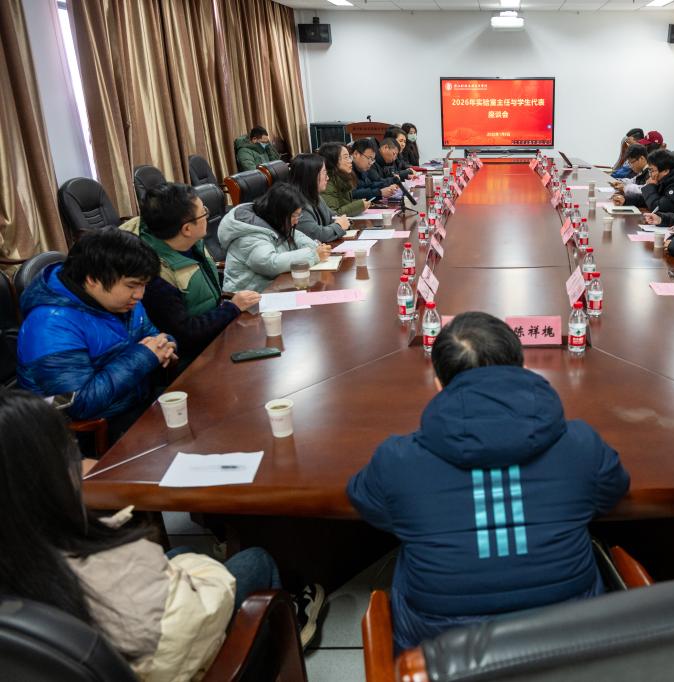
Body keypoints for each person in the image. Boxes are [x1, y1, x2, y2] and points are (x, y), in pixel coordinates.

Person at [347, 312, 630, 651]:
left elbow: (366, 500)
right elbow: (613, 489)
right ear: (522, 368)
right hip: (572, 645)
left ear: (439, 384)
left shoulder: (397, 460)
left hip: (439, 653)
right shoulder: (581, 445)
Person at [0, 390, 326, 676]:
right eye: (71, 450)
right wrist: (198, 570)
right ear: (45, 476)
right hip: (184, 661)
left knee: (182, 554)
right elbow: (192, 626)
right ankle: (288, 630)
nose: (83, 461)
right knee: (255, 559)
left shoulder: (21, 555)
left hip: (112, 644)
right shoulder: (112, 562)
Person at [17, 228, 176, 436]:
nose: (139, 294)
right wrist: (146, 356)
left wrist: (166, 345)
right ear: (92, 279)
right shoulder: (49, 326)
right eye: (132, 285)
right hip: (93, 432)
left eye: (144, 285)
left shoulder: (121, 300)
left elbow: (152, 336)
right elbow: (77, 403)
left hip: (137, 403)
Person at [122, 183, 261, 365]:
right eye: (204, 212)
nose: (207, 216)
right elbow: (186, 334)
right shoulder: (155, 274)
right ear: (187, 229)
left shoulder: (190, 243)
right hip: (195, 360)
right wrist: (232, 307)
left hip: (217, 335)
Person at [220, 183, 333, 293]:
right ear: (278, 212)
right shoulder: (250, 235)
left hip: (273, 288)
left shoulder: (273, 221)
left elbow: (297, 236)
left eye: (298, 215)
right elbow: (270, 263)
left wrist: (315, 248)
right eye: (294, 216)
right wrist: (313, 255)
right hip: (250, 296)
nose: (296, 221)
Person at [287, 153, 350, 242]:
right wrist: (339, 226)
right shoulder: (296, 203)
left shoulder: (314, 195)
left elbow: (333, 217)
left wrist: (344, 222)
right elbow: (317, 235)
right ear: (311, 176)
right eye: (324, 173)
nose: (327, 178)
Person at [319, 142, 371, 217]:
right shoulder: (327, 183)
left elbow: (344, 203)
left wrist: (360, 203)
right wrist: (359, 205)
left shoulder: (342, 178)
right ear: (333, 161)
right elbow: (334, 214)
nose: (350, 161)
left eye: (349, 157)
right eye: (346, 157)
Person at [639, 149, 674, 215]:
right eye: (649, 170)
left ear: (665, 171)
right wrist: (629, 199)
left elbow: (658, 208)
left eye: (652, 171)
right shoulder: (666, 178)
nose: (650, 175)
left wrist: (650, 186)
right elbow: (649, 198)